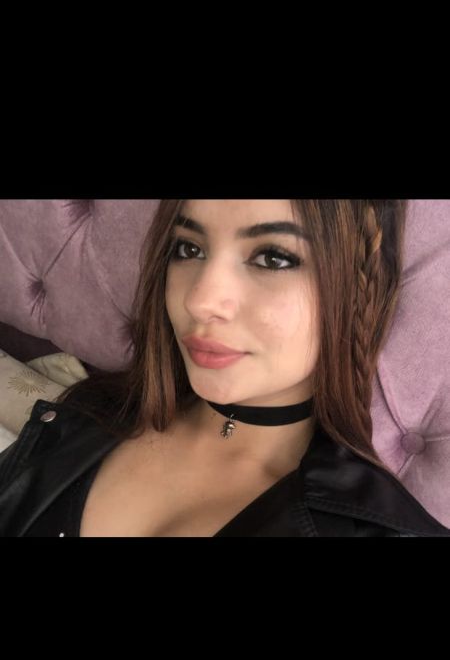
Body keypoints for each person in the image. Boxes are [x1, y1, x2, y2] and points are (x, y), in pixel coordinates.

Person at [0, 199, 449, 537]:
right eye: (189, 248)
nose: (200, 300)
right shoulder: (86, 412)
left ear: (356, 280)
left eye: (272, 257)